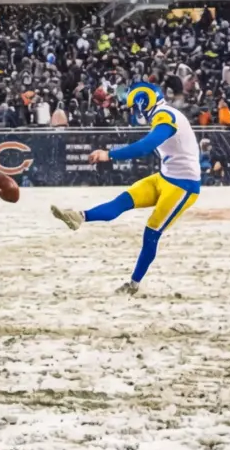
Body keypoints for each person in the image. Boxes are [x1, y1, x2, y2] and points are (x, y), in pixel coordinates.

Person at [49, 74, 201, 295]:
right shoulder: (164, 114)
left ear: (143, 104)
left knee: (151, 231)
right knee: (122, 201)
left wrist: (109, 154)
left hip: (183, 186)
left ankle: (134, 284)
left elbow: (145, 147)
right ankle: (79, 217)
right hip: (165, 177)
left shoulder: (165, 116)